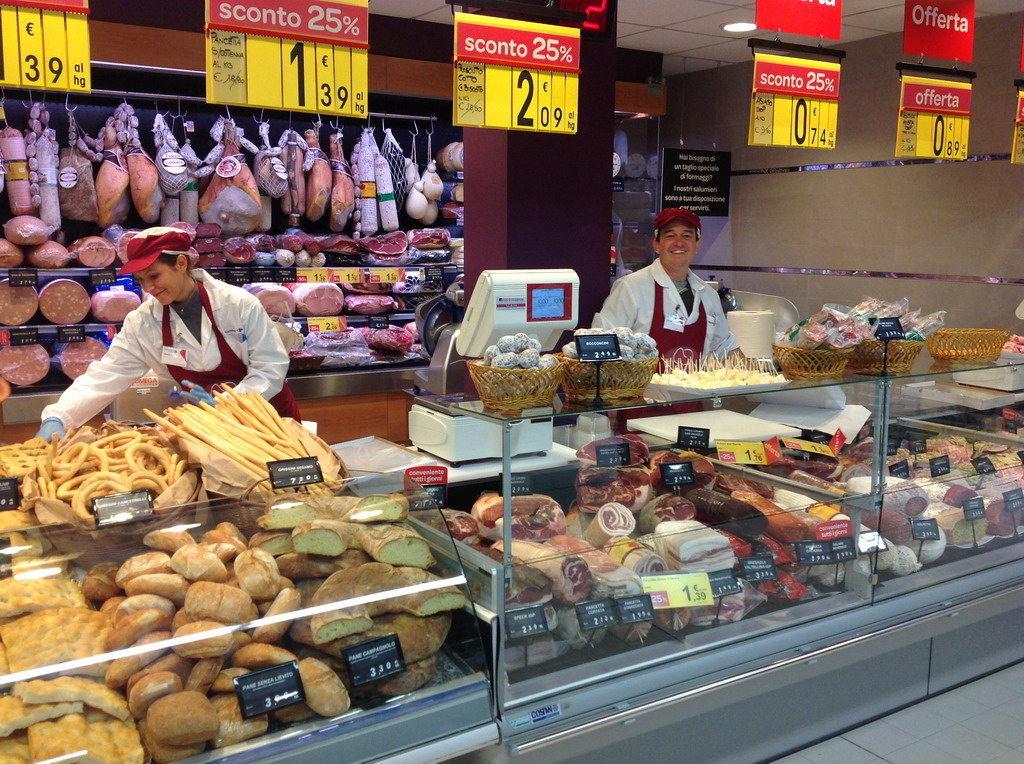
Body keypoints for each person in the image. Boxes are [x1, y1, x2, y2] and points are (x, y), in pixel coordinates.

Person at [36, 226, 299, 440]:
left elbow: (269, 369)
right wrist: (59, 416)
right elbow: (106, 374)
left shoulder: (237, 303)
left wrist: (227, 405)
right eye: (141, 280)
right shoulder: (143, 321)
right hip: (214, 429)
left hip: (270, 421)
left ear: (181, 263)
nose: (148, 288)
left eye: (154, 275)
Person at [593, 207, 741, 362]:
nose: (679, 242)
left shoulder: (709, 295)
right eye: (670, 236)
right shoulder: (630, 287)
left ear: (697, 245)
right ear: (656, 245)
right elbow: (602, 343)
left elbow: (725, 347)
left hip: (694, 378)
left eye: (686, 236)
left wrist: (754, 375)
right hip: (642, 379)